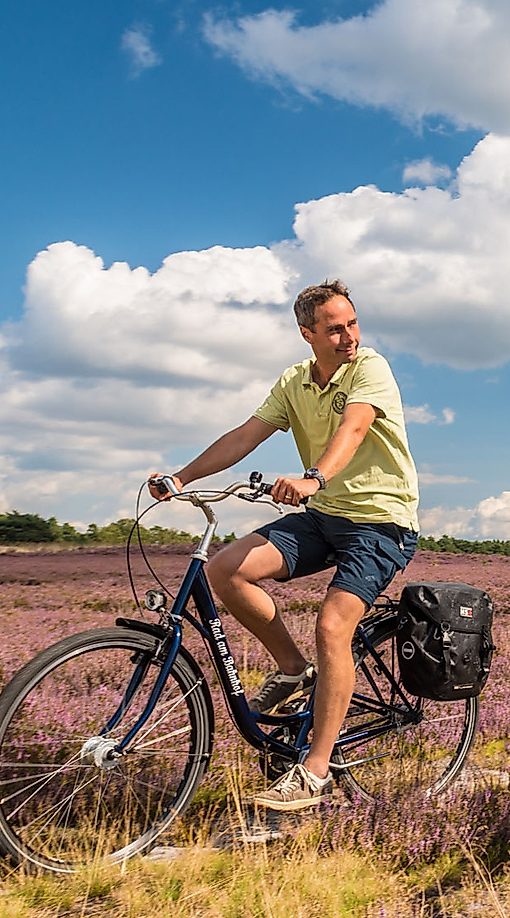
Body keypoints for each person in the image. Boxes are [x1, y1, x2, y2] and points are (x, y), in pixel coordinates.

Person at [148, 280, 420, 813]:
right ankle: (294, 669)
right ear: (307, 334)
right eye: (334, 329)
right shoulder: (295, 381)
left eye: (352, 323)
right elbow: (244, 435)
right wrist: (180, 478)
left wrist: (314, 477)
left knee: (333, 627)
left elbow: (355, 427)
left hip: (380, 522)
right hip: (324, 517)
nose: (349, 336)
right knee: (225, 570)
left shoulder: (371, 368)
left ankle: (315, 771)